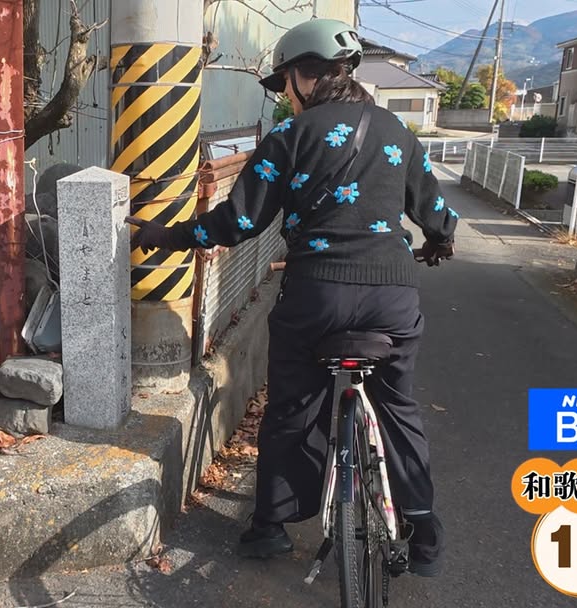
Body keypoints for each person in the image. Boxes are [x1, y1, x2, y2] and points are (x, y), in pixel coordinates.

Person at [126, 18, 457, 577]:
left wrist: (169, 236)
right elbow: (435, 211)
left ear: (305, 74)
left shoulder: (289, 137)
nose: (285, 94)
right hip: (392, 296)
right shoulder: (397, 132)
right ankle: (423, 531)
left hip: (316, 295)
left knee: (293, 408)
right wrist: (439, 242)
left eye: (284, 83)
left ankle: (271, 528)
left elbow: (240, 220)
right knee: (398, 406)